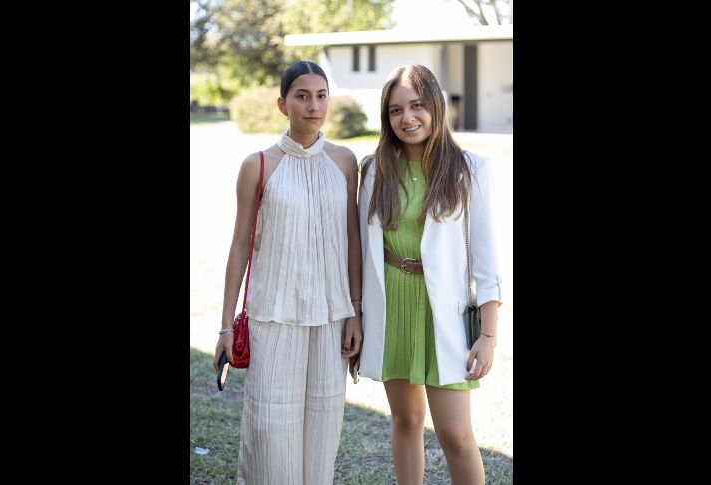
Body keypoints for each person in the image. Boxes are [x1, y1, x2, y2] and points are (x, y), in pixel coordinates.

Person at [213, 60, 363, 485]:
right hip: (273, 317)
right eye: (302, 96)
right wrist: (226, 327)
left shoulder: (345, 162)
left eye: (321, 96)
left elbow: (352, 239)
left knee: (322, 430)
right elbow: (240, 245)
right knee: (270, 433)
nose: (313, 106)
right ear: (283, 105)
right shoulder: (258, 165)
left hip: (332, 318)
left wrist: (355, 311)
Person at [357, 64, 503, 484]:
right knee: (406, 420)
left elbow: (488, 259)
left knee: (456, 435)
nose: (407, 118)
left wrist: (488, 336)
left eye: (417, 106)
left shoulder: (469, 168)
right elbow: (364, 252)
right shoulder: (374, 170)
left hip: (445, 313)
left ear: (436, 106)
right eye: (396, 110)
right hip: (394, 308)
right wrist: (358, 315)